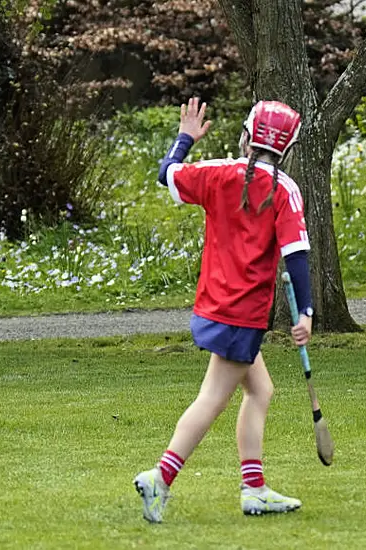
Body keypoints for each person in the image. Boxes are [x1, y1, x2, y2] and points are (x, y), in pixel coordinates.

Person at [133, 98, 314, 522]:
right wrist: (304, 312)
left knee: (260, 391)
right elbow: (297, 256)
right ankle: (159, 477)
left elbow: (168, 175)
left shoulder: (218, 173)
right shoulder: (284, 190)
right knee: (212, 398)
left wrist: (186, 139)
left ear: (247, 136)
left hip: (213, 307)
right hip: (242, 315)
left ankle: (254, 489)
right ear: (286, 148)